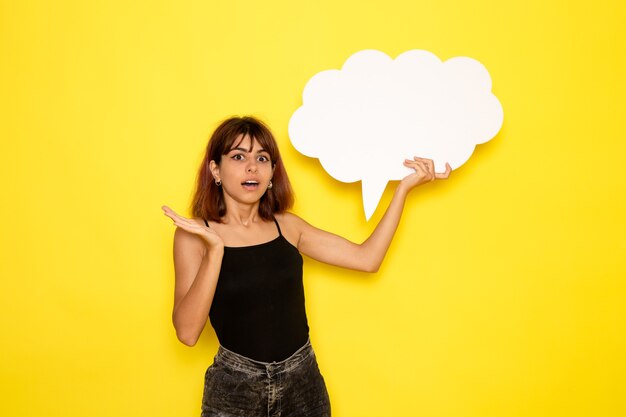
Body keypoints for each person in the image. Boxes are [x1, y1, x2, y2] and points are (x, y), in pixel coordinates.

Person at [162, 116, 451, 417]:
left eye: (262, 158)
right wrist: (215, 251)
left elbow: (368, 259)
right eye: (238, 156)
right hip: (236, 389)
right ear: (215, 169)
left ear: (273, 172)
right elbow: (187, 333)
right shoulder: (193, 235)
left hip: (303, 383)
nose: (252, 167)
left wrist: (403, 190)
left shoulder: (287, 226)